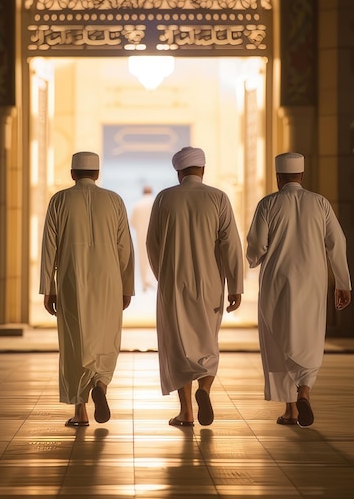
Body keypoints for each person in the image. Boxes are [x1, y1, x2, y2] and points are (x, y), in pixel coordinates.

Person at [246, 152, 352, 427]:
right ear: (302, 176)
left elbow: (257, 245)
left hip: (276, 282)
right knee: (309, 336)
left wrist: (250, 261)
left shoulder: (268, 203)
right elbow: (337, 243)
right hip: (312, 282)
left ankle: (290, 409)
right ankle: (304, 390)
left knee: (279, 340)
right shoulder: (320, 203)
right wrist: (342, 282)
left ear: (278, 177)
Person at [146, 146, 243, 427]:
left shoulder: (165, 198)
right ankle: (205, 389)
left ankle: (186, 411)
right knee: (207, 342)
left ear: (179, 172)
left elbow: (152, 243)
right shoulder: (218, 198)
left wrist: (163, 276)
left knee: (177, 345)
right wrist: (235, 285)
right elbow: (231, 246)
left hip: (175, 282)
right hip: (211, 282)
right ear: (203, 169)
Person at [39, 151, 135, 427]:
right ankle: (101, 385)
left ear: (72, 174)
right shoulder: (114, 200)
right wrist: (126, 287)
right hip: (108, 281)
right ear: (97, 174)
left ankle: (80, 412)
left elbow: (50, 247)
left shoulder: (60, 200)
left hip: (72, 279)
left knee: (74, 342)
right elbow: (124, 248)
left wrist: (49, 287)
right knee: (106, 337)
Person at [130, 185, 155, 292]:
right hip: (153, 234)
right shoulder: (155, 203)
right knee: (153, 256)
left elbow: (132, 222)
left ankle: (144, 282)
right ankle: (151, 279)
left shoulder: (137, 205)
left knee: (142, 258)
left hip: (141, 235)